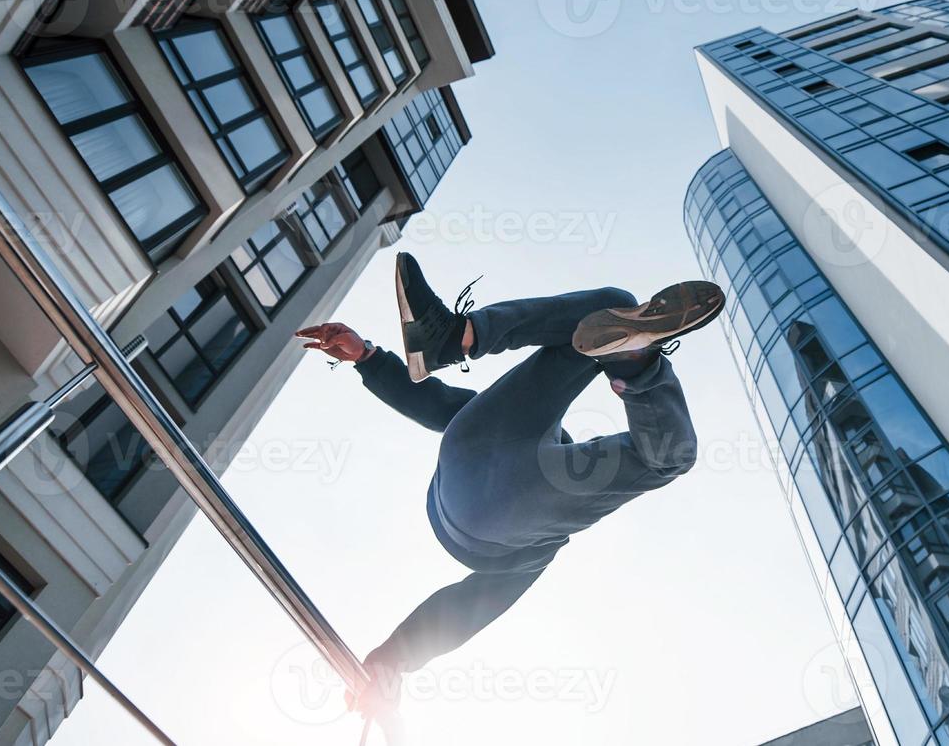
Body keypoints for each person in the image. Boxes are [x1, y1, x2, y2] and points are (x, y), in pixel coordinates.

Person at [296, 254, 725, 719]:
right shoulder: (546, 534)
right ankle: (632, 363)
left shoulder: (531, 468)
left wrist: (369, 359)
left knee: (612, 307)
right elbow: (473, 606)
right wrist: (393, 659)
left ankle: (458, 337)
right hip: (486, 516)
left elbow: (437, 405)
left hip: (465, 467)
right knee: (665, 452)